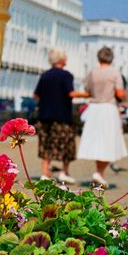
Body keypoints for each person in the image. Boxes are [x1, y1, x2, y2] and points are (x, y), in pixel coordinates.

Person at [33, 47, 88, 184]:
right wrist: (87, 94)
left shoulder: (44, 75)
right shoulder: (66, 75)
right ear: (62, 59)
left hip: (44, 115)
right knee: (67, 143)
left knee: (46, 143)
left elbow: (36, 95)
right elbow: (71, 93)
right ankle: (64, 172)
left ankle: (45, 173)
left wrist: (47, 101)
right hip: (62, 115)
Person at [77, 46, 128, 187]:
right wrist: (123, 95)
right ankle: (99, 173)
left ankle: (99, 173)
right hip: (108, 108)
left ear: (98, 58)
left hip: (94, 109)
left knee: (98, 141)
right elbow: (119, 93)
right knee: (109, 141)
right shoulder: (114, 73)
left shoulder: (92, 73)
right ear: (111, 58)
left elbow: (88, 91)